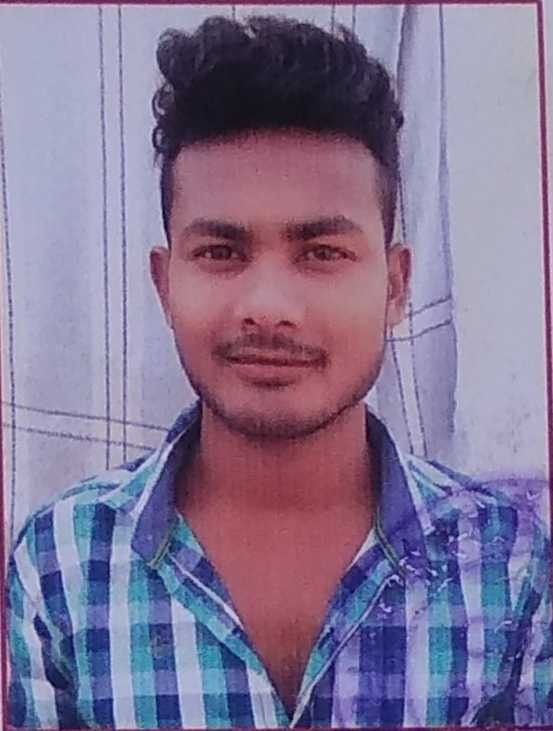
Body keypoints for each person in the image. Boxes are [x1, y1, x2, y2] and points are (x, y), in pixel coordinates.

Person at [7, 14, 552, 729]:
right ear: (164, 284)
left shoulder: (506, 566)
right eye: (221, 253)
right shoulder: (63, 566)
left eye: (322, 253)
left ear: (394, 285)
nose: (267, 306)